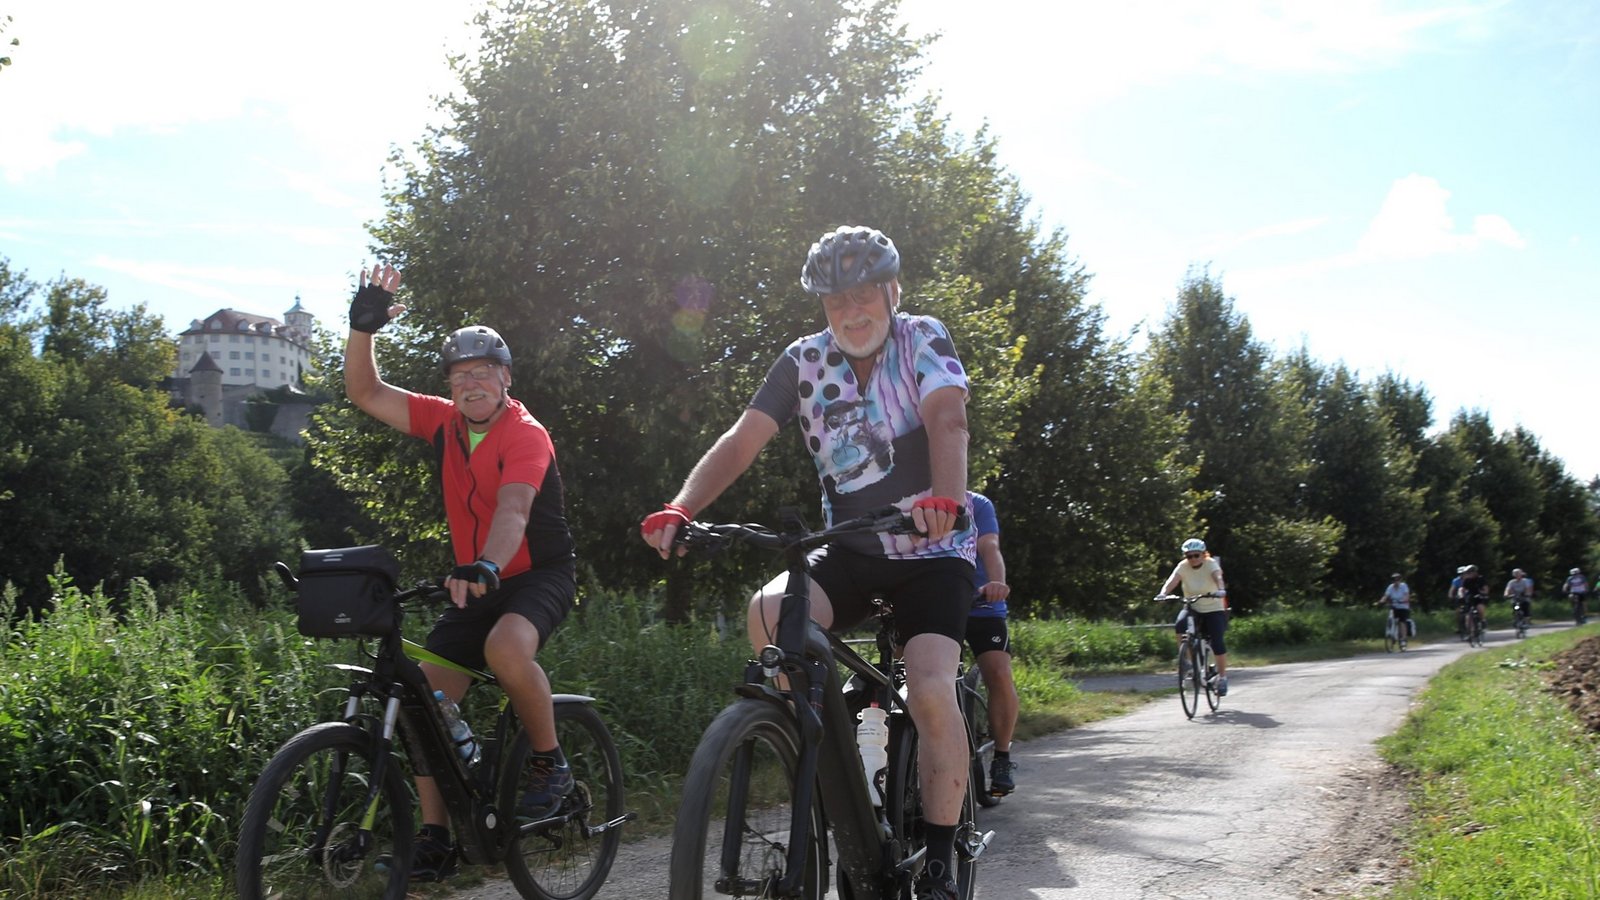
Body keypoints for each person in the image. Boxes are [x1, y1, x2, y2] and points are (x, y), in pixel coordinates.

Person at [640, 225, 974, 900]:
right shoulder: (802, 361)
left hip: (932, 551)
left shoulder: (922, 337)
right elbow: (741, 441)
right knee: (767, 614)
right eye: (834, 300)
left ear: (892, 291)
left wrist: (946, 498)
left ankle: (940, 860)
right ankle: (823, 760)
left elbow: (948, 420)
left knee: (931, 684)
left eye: (863, 295)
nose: (851, 312)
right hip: (851, 547)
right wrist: (680, 508)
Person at [344, 263, 578, 882]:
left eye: (481, 373)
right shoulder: (444, 422)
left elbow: (514, 506)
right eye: (459, 376)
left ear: (505, 379)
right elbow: (366, 393)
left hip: (537, 573)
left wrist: (488, 564)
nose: (470, 383)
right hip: (479, 577)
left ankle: (549, 761)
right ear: (449, 387)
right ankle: (436, 837)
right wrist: (361, 331)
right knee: (426, 697)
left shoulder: (525, 433)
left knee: (506, 648)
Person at [965, 491, 1019, 796]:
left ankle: (1002, 756)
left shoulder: (977, 504)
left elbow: (989, 545)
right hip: (935, 604)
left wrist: (997, 582)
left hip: (981, 601)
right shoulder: (909, 498)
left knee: (998, 672)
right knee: (902, 669)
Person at [1158, 538, 1230, 696]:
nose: (1193, 559)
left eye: (1196, 555)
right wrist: (1163, 593)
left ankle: (1222, 678)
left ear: (1203, 555)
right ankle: (1189, 662)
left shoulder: (1210, 564)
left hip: (1213, 608)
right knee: (1180, 625)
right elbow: (1173, 580)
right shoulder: (1183, 567)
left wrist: (1221, 589)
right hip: (1193, 606)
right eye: (1189, 556)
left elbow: (1218, 577)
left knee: (1217, 641)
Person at [1377, 572, 1414, 639]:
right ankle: (1391, 630)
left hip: (1403, 606)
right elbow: (1386, 596)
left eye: (1398, 579)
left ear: (1400, 580)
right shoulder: (1390, 587)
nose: (1396, 581)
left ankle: (1403, 638)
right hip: (1394, 606)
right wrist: (1381, 601)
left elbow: (1406, 595)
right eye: (1394, 580)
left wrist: (1404, 600)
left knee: (1402, 621)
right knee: (1391, 617)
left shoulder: (1404, 586)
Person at [1458, 564, 1489, 638]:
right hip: (1470, 597)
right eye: (1467, 573)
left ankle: (1483, 620)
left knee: (1480, 608)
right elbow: (1462, 589)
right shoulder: (1466, 580)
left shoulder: (1481, 579)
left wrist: (1484, 593)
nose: (1468, 574)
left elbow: (1485, 588)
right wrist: (1461, 595)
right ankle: (1470, 633)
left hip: (1479, 596)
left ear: (1474, 572)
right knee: (1468, 616)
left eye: (1469, 572)